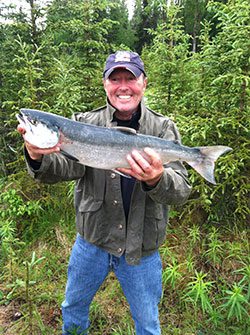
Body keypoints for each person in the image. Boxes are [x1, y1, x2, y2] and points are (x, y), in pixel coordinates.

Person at [18, 50, 191, 335]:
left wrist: (157, 178)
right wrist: (36, 155)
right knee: (73, 310)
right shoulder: (83, 123)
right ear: (105, 84)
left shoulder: (163, 129)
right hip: (92, 241)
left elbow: (181, 190)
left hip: (142, 248)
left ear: (144, 83)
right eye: (115, 78)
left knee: (148, 324)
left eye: (130, 78)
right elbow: (63, 169)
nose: (123, 85)